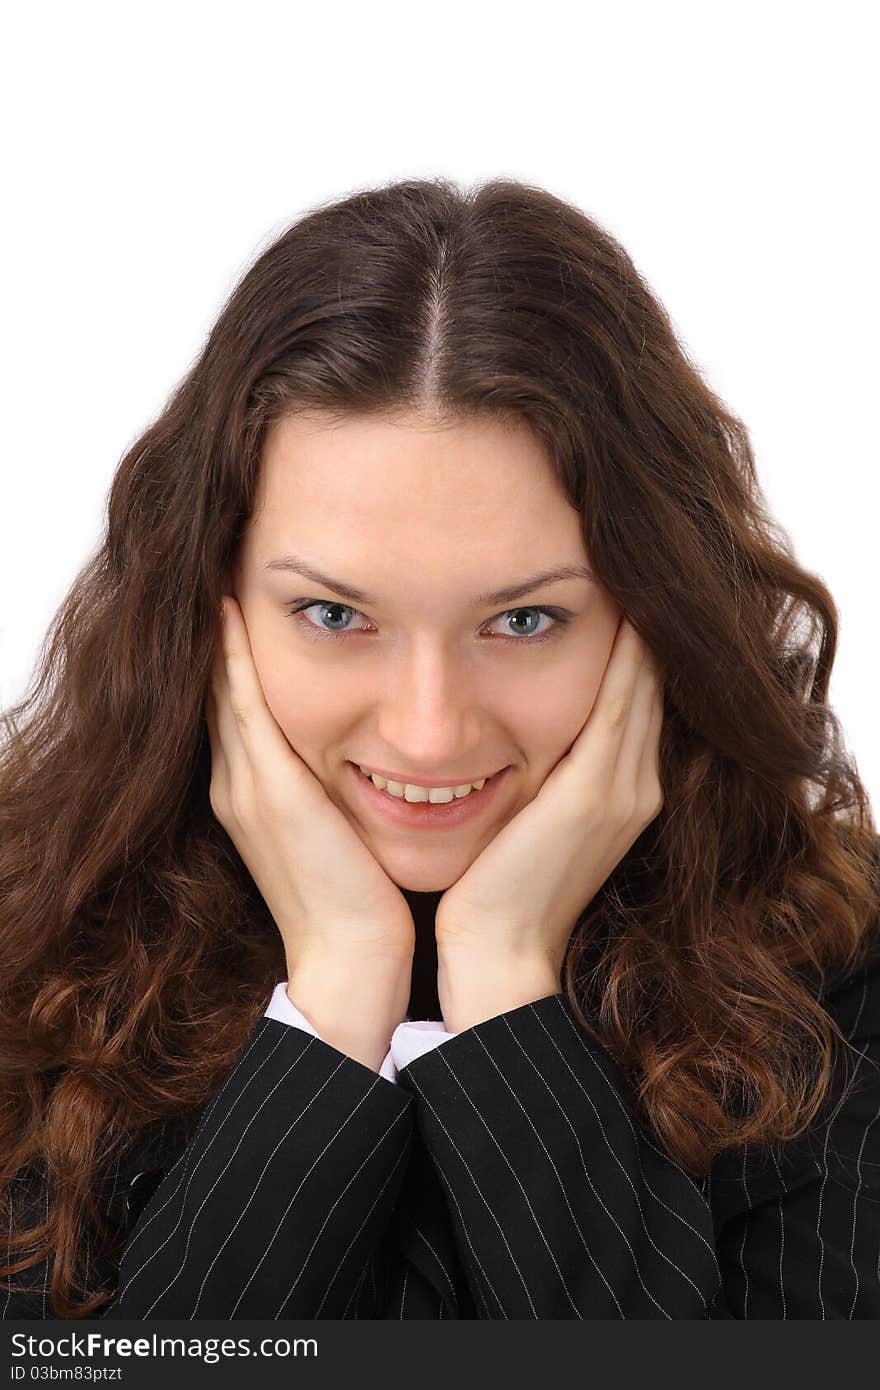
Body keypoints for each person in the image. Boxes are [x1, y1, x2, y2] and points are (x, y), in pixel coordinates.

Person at [1, 176, 878, 1321]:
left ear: (654, 617)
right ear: (204, 606)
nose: (427, 728)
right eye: (333, 614)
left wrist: (508, 981)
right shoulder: (32, 953)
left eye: (523, 621)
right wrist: (332, 1003)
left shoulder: (839, 993)